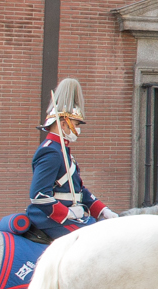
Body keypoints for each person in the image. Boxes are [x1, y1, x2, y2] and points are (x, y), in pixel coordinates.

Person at [27, 78, 116, 239]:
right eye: (76, 124)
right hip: (51, 219)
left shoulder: (62, 150)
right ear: (63, 124)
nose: (78, 129)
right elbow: (39, 195)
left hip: (70, 215)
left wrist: (102, 210)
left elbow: (78, 190)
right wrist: (67, 213)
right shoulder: (51, 152)